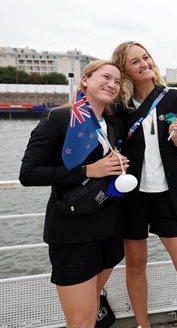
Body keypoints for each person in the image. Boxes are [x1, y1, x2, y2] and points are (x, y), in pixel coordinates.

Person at [19, 60, 128, 327]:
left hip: (108, 228)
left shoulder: (112, 125)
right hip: (73, 232)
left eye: (117, 81)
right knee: (80, 321)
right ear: (85, 81)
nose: (112, 84)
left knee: (91, 312)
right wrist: (87, 170)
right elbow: (29, 173)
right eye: (105, 77)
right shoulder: (60, 118)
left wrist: (117, 167)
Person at [111, 41, 177, 328]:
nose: (145, 63)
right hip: (132, 197)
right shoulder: (119, 106)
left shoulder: (176, 98)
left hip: (170, 195)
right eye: (135, 61)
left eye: (146, 57)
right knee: (136, 266)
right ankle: (143, 325)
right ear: (124, 70)